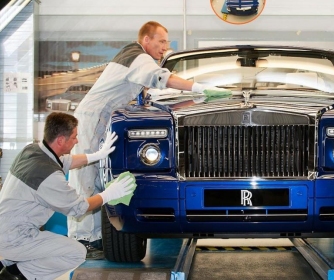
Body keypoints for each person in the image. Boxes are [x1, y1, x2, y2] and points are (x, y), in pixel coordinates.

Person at [67, 21, 231, 255]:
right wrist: (198, 88)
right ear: (146, 40)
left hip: (101, 118)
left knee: (93, 177)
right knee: (86, 177)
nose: (166, 46)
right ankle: (82, 238)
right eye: (162, 41)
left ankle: (93, 237)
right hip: (95, 118)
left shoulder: (133, 58)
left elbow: (149, 90)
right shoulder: (138, 58)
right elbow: (161, 78)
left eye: (167, 42)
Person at [0, 112, 135, 280]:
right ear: (60, 141)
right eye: (74, 137)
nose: (77, 141)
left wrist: (97, 155)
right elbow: (80, 208)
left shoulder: (32, 150)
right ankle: (15, 275)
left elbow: (66, 161)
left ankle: (8, 262)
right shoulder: (48, 176)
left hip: (6, 229)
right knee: (76, 252)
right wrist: (109, 194)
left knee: (47, 249)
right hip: (16, 237)